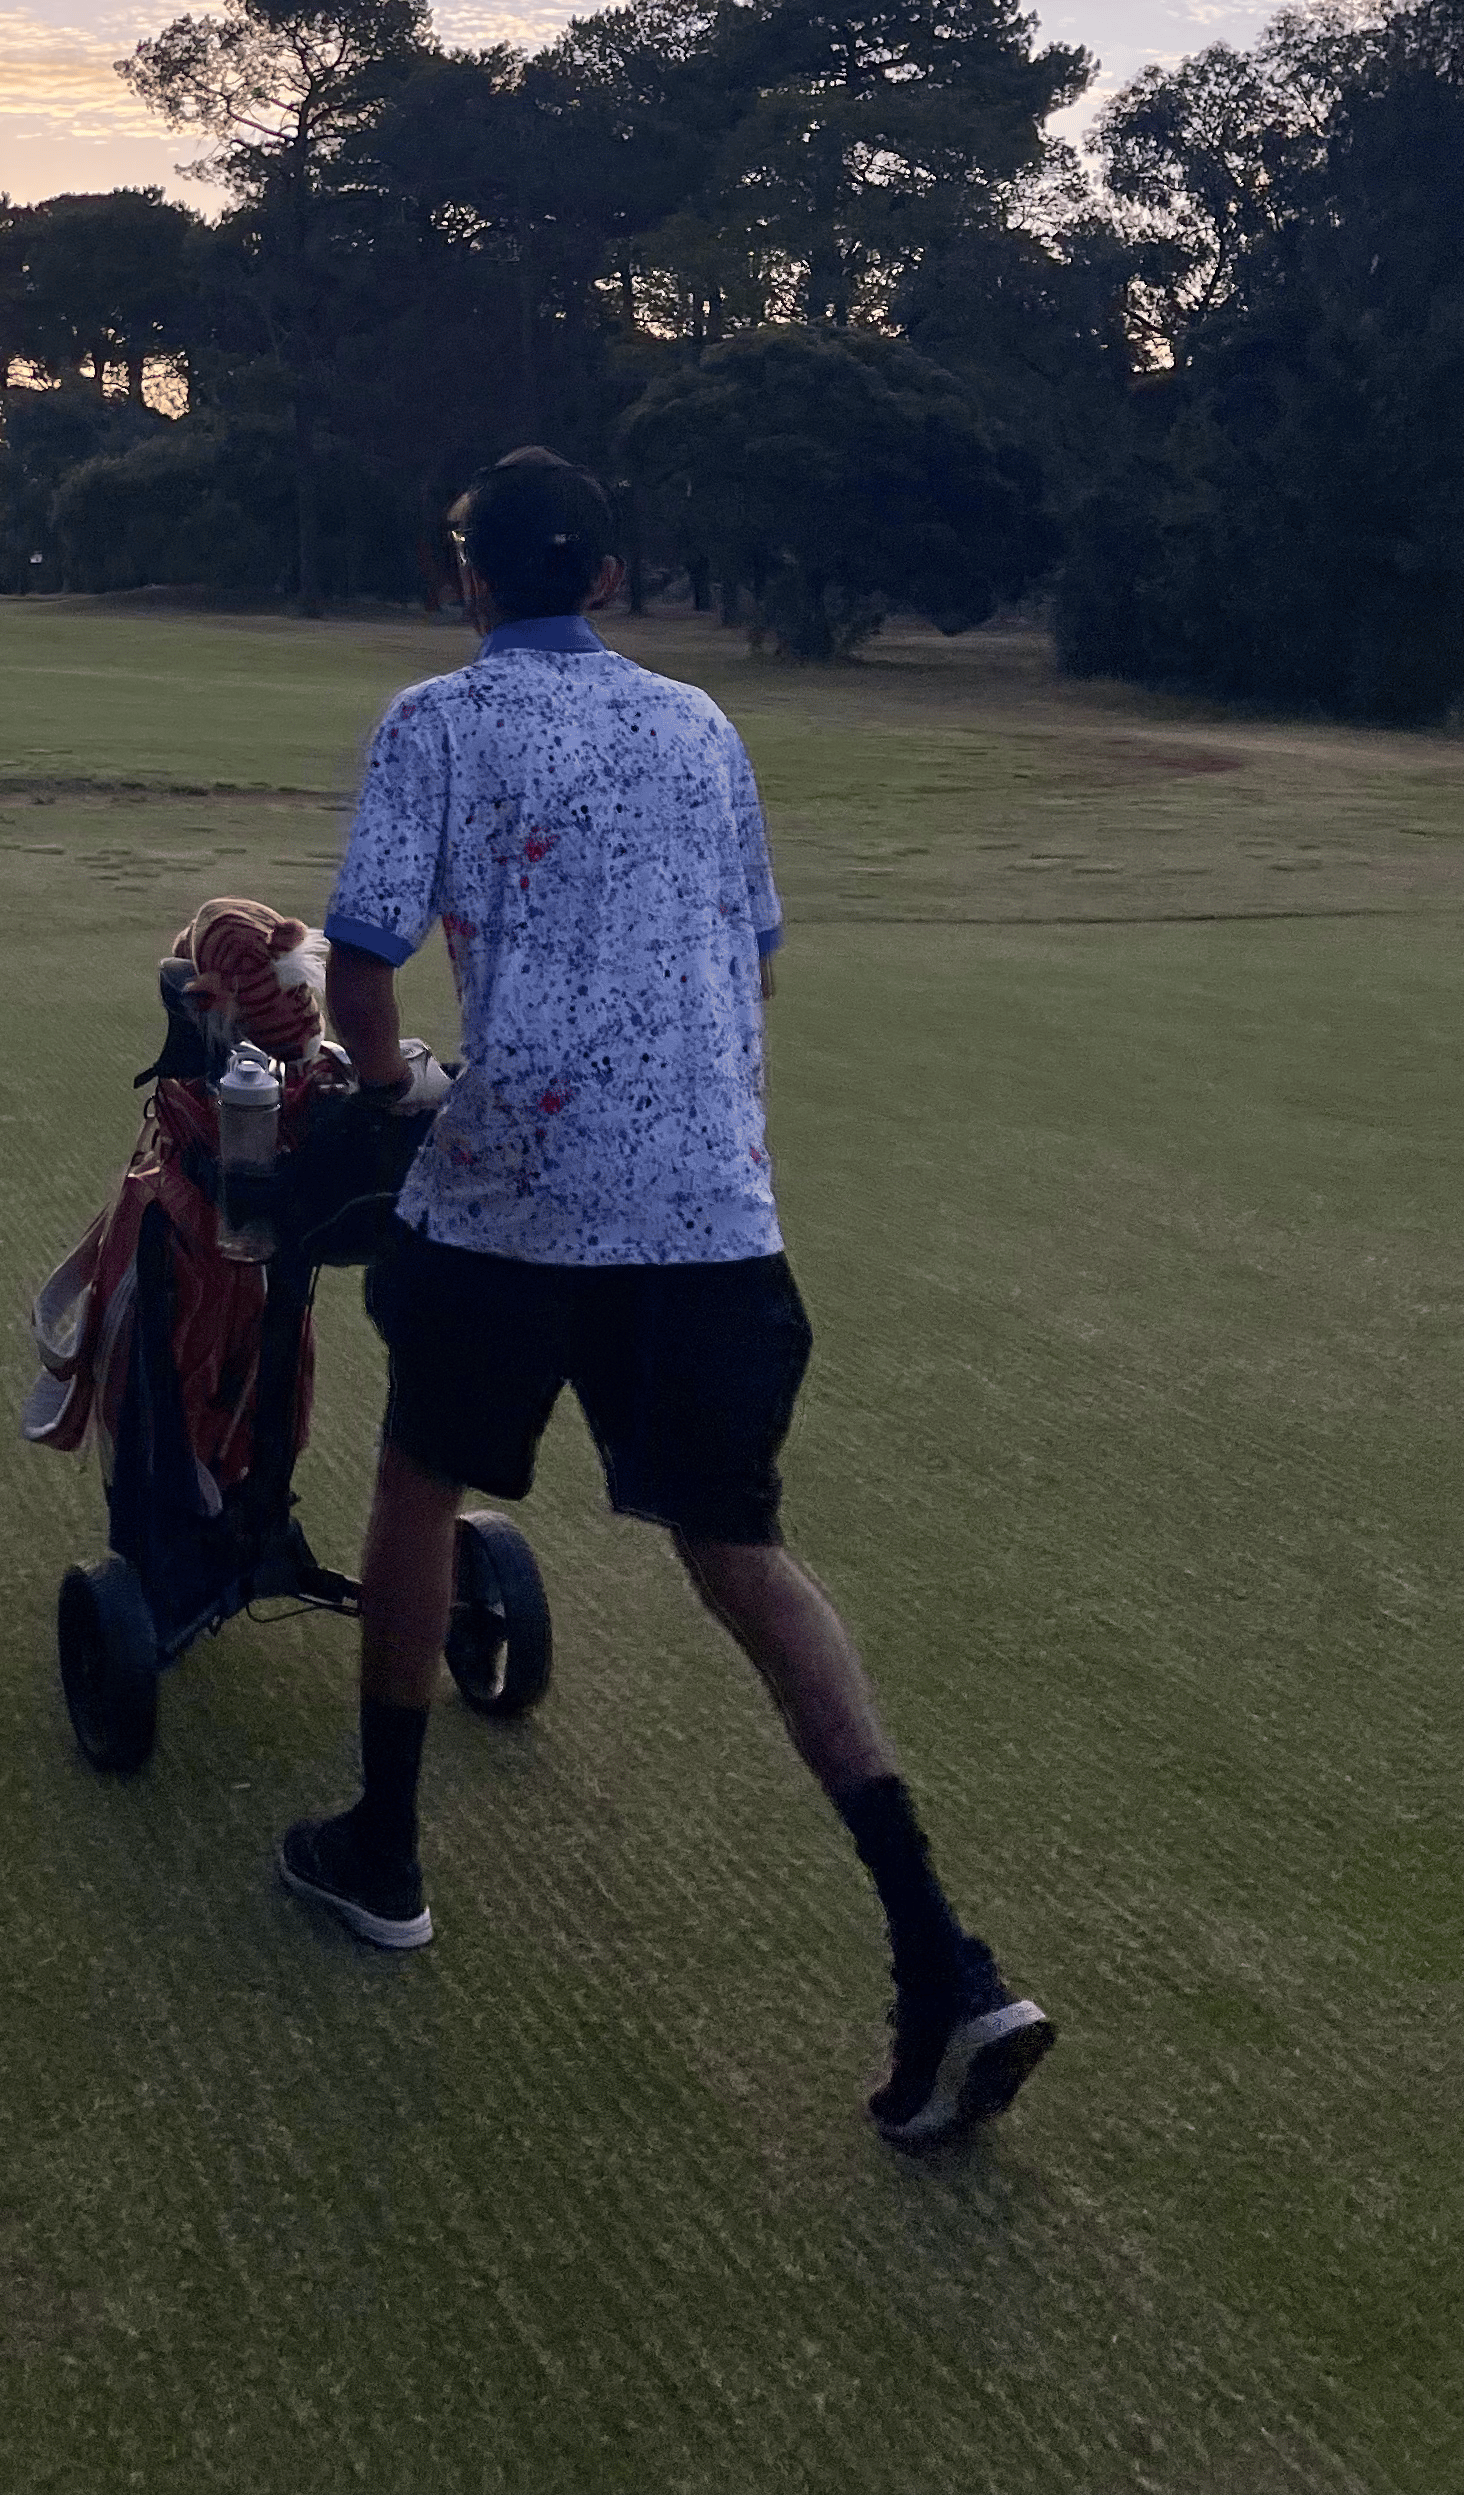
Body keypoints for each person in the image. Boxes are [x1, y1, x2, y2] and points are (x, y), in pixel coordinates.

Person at [279, 448, 1054, 2153]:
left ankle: (383, 1857)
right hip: (710, 1211)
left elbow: (357, 955)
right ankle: (941, 1959)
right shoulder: (700, 725)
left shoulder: (433, 717)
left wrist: (394, 1083)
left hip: (507, 1198)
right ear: (611, 578)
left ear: (458, 574)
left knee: (419, 1480)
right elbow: (749, 947)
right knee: (738, 1556)